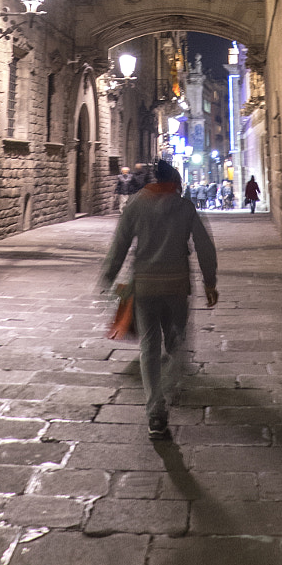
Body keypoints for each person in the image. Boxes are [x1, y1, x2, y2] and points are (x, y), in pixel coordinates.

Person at [98, 159, 218, 441]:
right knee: (176, 342)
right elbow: (204, 247)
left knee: (149, 347)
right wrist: (210, 282)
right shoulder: (185, 206)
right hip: (176, 287)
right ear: (174, 181)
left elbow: (119, 245)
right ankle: (172, 385)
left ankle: (155, 410)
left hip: (146, 287)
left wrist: (108, 276)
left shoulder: (136, 205)